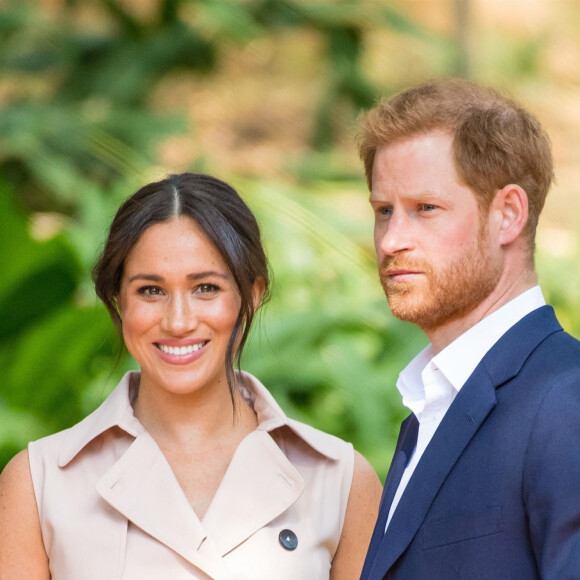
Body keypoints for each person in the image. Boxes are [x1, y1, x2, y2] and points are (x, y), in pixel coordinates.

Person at [0, 172, 382, 580]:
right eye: (151, 290)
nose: (178, 321)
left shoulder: (340, 480)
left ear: (251, 295)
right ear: (118, 301)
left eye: (205, 288)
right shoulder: (38, 483)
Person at [356, 79, 580, 580]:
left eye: (425, 209)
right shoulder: (429, 408)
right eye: (383, 211)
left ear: (508, 215)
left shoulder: (567, 401)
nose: (392, 239)